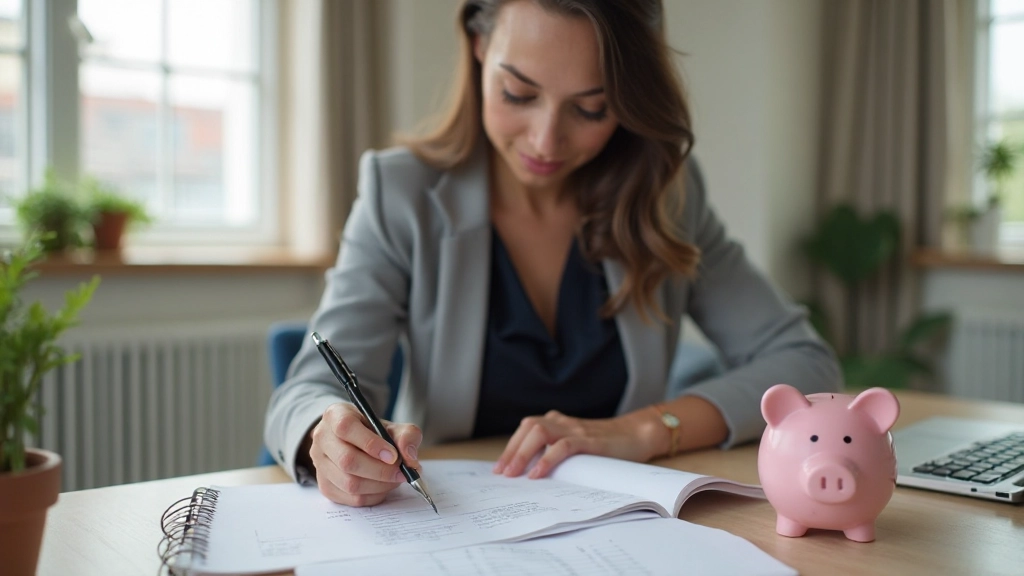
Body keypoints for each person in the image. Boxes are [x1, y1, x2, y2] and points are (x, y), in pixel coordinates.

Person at [264, 0, 841, 507]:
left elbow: (804, 362)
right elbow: (308, 392)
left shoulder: (668, 198)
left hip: (622, 529)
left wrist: (642, 430)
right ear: (478, 44)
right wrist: (328, 434)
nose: (545, 141)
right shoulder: (402, 192)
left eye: (591, 108)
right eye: (519, 93)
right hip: (455, 530)